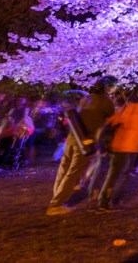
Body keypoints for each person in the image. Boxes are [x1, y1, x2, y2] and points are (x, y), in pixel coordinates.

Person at [46, 77, 116, 216]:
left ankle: (57, 198)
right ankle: (56, 204)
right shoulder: (106, 101)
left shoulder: (86, 98)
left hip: (73, 136)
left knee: (64, 168)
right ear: (108, 87)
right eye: (114, 86)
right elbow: (112, 120)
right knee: (74, 171)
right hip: (86, 139)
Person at [97, 88, 138, 213]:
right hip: (136, 147)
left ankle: (104, 200)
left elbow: (115, 120)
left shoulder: (130, 107)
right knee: (124, 174)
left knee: (113, 174)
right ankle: (108, 201)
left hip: (120, 144)